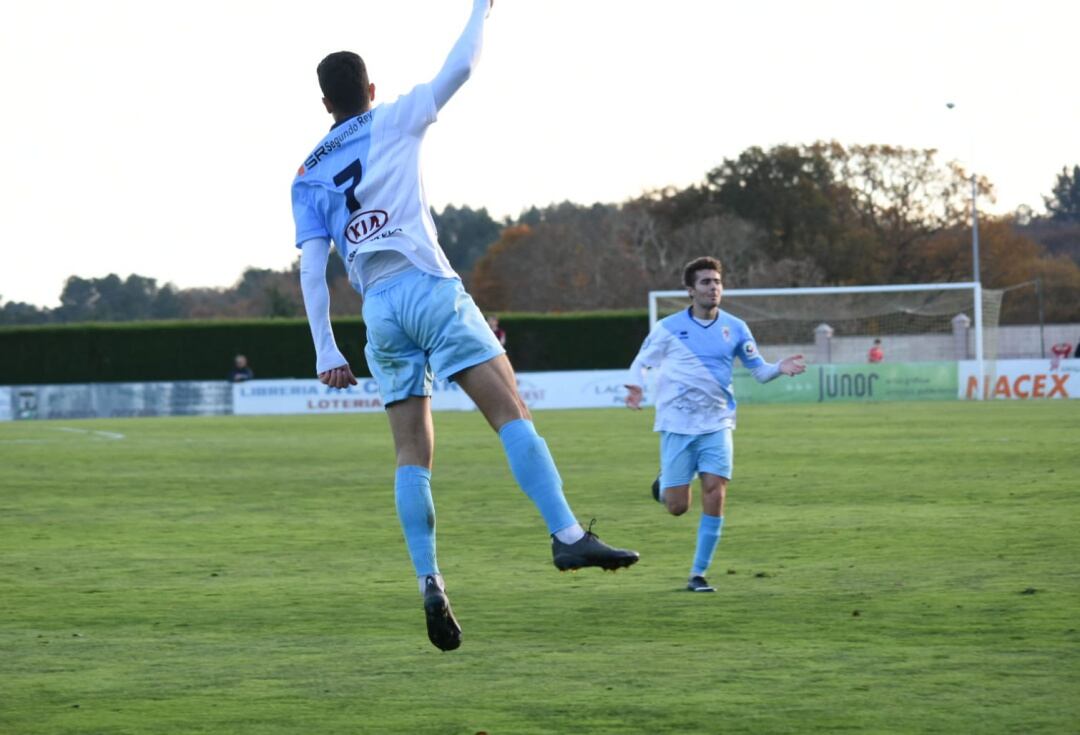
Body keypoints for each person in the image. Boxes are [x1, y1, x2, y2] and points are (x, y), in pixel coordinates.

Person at [290, 0, 638, 652]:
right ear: (369, 90)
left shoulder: (306, 173)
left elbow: (312, 270)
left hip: (379, 312)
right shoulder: (392, 118)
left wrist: (326, 349)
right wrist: (483, 7)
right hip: (427, 287)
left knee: (410, 452)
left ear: (324, 104)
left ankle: (429, 576)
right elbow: (461, 66)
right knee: (508, 407)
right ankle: (566, 535)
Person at [624, 257, 805, 593]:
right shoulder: (667, 328)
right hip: (677, 424)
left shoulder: (736, 328)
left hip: (718, 424)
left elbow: (760, 371)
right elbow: (642, 361)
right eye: (706, 282)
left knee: (715, 493)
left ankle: (698, 574)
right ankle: (664, 485)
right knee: (677, 507)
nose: (713, 288)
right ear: (691, 290)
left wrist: (780, 366)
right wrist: (635, 386)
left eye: (717, 282)